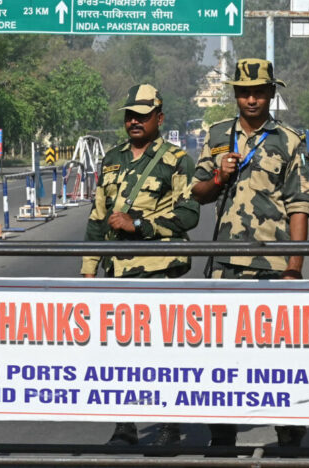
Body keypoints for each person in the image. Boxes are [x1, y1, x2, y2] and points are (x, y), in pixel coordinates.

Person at [190, 58, 309, 450]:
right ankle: (222, 432)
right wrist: (219, 174)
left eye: (259, 91)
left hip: (272, 265)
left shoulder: (289, 140)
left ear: (272, 93)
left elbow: (298, 206)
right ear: (236, 95)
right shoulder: (217, 134)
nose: (252, 99)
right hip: (224, 264)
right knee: (221, 353)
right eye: (244, 92)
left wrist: (294, 269)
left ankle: (288, 429)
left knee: (277, 354)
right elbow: (199, 193)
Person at [81, 84, 199, 448]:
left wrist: (141, 226)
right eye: (130, 115)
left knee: (164, 352)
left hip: (160, 272)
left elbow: (189, 213)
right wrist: (88, 269)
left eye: (143, 115)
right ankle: (124, 426)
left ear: (159, 119)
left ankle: (168, 425)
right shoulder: (111, 158)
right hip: (118, 273)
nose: (134, 121)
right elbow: (98, 217)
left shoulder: (177, 159)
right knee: (119, 352)